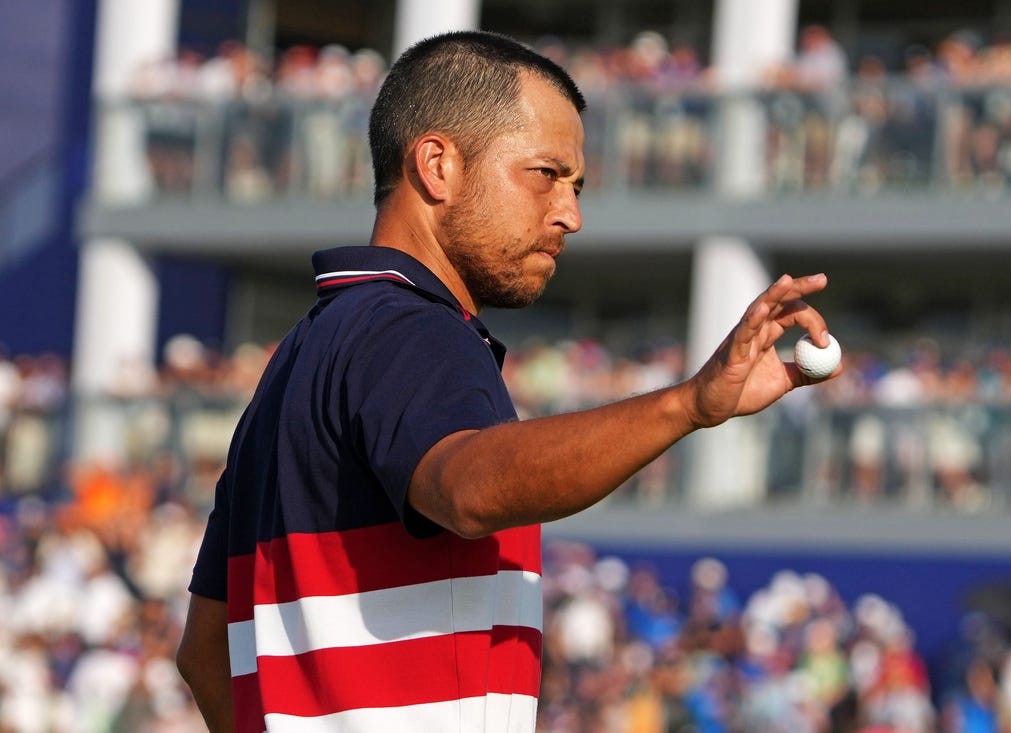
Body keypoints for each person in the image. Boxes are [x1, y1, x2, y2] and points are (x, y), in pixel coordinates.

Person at [175, 30, 837, 732]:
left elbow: (205, 652)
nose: (570, 215)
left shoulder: (296, 360)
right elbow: (469, 489)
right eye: (545, 174)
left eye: (576, 186)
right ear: (438, 165)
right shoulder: (416, 326)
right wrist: (690, 403)